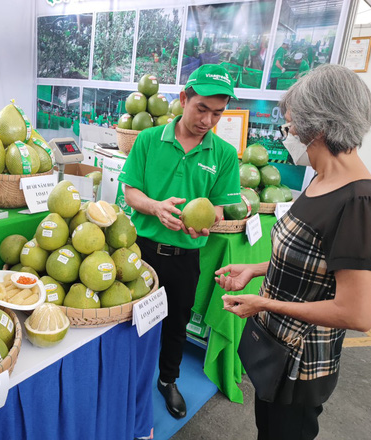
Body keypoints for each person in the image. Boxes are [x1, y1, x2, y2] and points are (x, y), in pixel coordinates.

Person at [215, 64, 371, 439]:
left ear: (318, 127)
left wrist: (265, 304)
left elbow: (357, 313)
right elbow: (310, 259)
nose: (286, 134)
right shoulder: (322, 179)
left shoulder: (357, 200)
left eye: (290, 126)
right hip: (275, 350)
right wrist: (256, 270)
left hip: (300, 365)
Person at [119, 64, 241, 419]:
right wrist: (156, 207)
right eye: (201, 108)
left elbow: (218, 207)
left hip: (187, 255)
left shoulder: (223, 154)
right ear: (183, 99)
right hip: (142, 250)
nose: (207, 120)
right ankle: (129, 379)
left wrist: (208, 222)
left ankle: (167, 381)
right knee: (131, 320)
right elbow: (130, 191)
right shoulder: (147, 140)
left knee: (176, 323)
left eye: (217, 113)